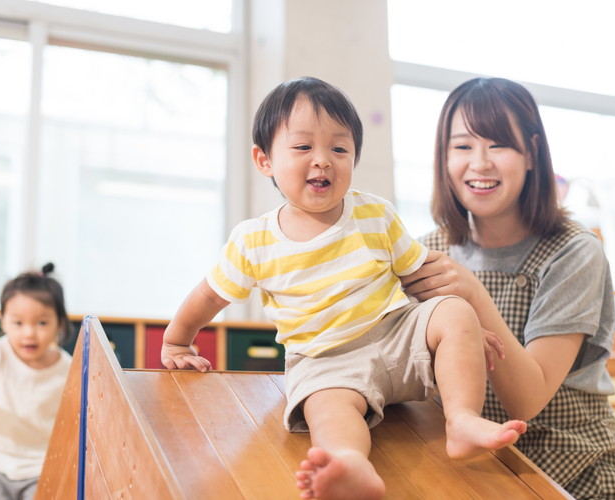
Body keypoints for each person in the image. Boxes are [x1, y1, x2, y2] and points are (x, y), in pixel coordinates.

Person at [161, 76, 527, 500]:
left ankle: (461, 420)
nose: (323, 160)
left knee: (456, 309)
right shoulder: (253, 240)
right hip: (326, 360)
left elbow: (417, 275)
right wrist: (176, 341)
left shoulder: (375, 213)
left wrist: (455, 331)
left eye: (339, 149)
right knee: (328, 409)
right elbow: (210, 295)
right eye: (302, 148)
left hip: (396, 336)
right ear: (264, 160)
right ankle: (350, 465)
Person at [401, 77, 615, 499]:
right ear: (443, 158)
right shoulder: (427, 252)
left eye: (498, 145)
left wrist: (472, 293)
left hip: (577, 470)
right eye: (462, 147)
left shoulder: (574, 251)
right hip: (477, 473)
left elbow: (527, 400)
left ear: (531, 154)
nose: (480, 163)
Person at [0, 263, 73, 500]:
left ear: (60, 322)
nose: (29, 333)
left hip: (41, 466)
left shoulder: (66, 368)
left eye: (42, 323)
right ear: (2, 321)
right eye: (18, 323)